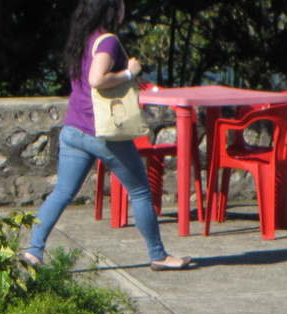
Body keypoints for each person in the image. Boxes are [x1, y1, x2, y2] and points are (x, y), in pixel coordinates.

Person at [22, 0, 191, 271]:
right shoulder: (108, 41)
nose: (125, 8)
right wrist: (128, 72)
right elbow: (96, 79)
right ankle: (158, 255)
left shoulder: (83, 37)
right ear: (112, 9)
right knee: (140, 192)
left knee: (62, 193)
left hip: (73, 129)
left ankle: (34, 250)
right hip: (103, 133)